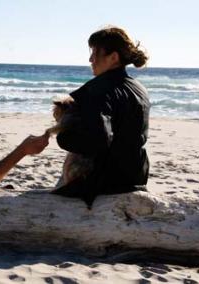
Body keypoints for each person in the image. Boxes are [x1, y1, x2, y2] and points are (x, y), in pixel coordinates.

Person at [52, 26, 150, 208]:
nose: (90, 59)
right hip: (136, 176)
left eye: (95, 53)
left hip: (105, 182)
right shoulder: (139, 89)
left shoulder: (98, 90)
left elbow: (97, 140)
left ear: (113, 57)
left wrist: (62, 137)